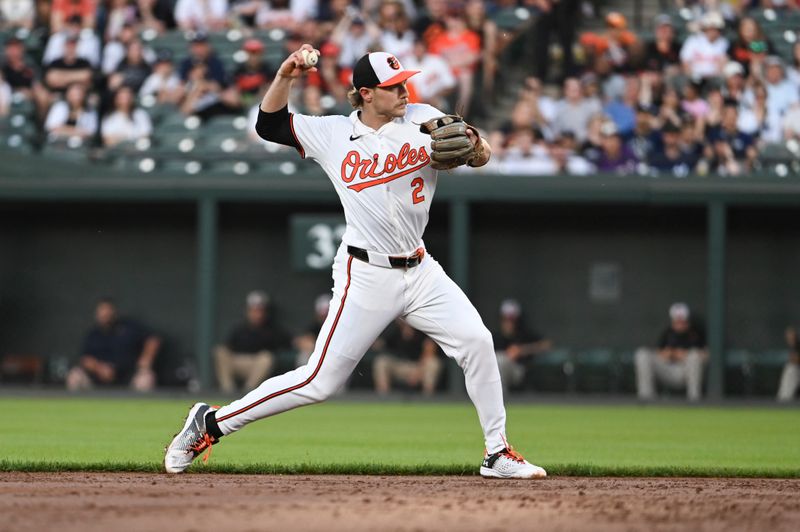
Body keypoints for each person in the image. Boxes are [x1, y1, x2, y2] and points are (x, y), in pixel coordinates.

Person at [164, 46, 547, 479]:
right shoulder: (331, 134)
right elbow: (268, 124)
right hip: (365, 274)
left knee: (477, 342)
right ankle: (210, 423)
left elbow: (482, 153)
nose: (404, 91)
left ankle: (496, 452)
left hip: (421, 271)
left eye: (404, 82)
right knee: (318, 382)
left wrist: (476, 145)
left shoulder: (424, 117)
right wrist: (286, 74)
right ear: (365, 93)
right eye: (392, 87)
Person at [66, 298, 161, 392]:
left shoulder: (129, 327)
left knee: (146, 378)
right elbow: (85, 359)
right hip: (98, 381)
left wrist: (146, 359)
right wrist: (99, 368)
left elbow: (153, 340)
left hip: (129, 377)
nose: (105, 314)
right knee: (74, 376)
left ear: (114, 312)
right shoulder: (93, 335)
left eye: (108, 311)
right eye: (102, 312)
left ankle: (140, 407)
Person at [214, 291, 290, 393]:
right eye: (253, 310)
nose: (256, 314)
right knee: (220, 351)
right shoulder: (239, 328)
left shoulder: (273, 329)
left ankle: (248, 392)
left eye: (259, 310)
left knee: (266, 357)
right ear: (248, 311)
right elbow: (228, 347)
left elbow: (286, 345)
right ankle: (227, 391)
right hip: (238, 361)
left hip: (256, 364)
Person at [635, 302, 707, 401]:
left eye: (682, 318)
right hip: (667, 370)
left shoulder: (696, 333)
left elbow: (706, 354)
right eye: (677, 319)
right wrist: (668, 354)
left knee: (694, 356)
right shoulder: (667, 333)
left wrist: (686, 355)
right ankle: (646, 398)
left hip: (685, 370)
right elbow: (660, 352)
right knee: (642, 354)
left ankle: (694, 399)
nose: (679, 321)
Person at [493, 299, 552, 396]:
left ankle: (500, 396)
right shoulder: (495, 336)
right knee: (498, 359)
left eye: (511, 319)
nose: (508, 323)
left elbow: (547, 344)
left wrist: (521, 350)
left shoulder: (524, 334)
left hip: (520, 372)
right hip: (497, 373)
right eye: (505, 319)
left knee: (500, 360)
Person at [372, 319, 442, 396]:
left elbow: (429, 352)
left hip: (418, 366)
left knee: (433, 363)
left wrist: (417, 372)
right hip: (399, 367)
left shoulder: (422, 327)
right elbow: (378, 343)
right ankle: (384, 399)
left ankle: (427, 400)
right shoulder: (392, 328)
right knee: (381, 362)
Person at [777, 326, 799, 402]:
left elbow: (795, 359)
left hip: (796, 369)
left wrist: (793, 359)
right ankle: (783, 401)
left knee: (791, 369)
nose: (789, 336)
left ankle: (785, 402)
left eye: (791, 334)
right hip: (793, 368)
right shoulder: (792, 346)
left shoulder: (797, 345)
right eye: (788, 335)